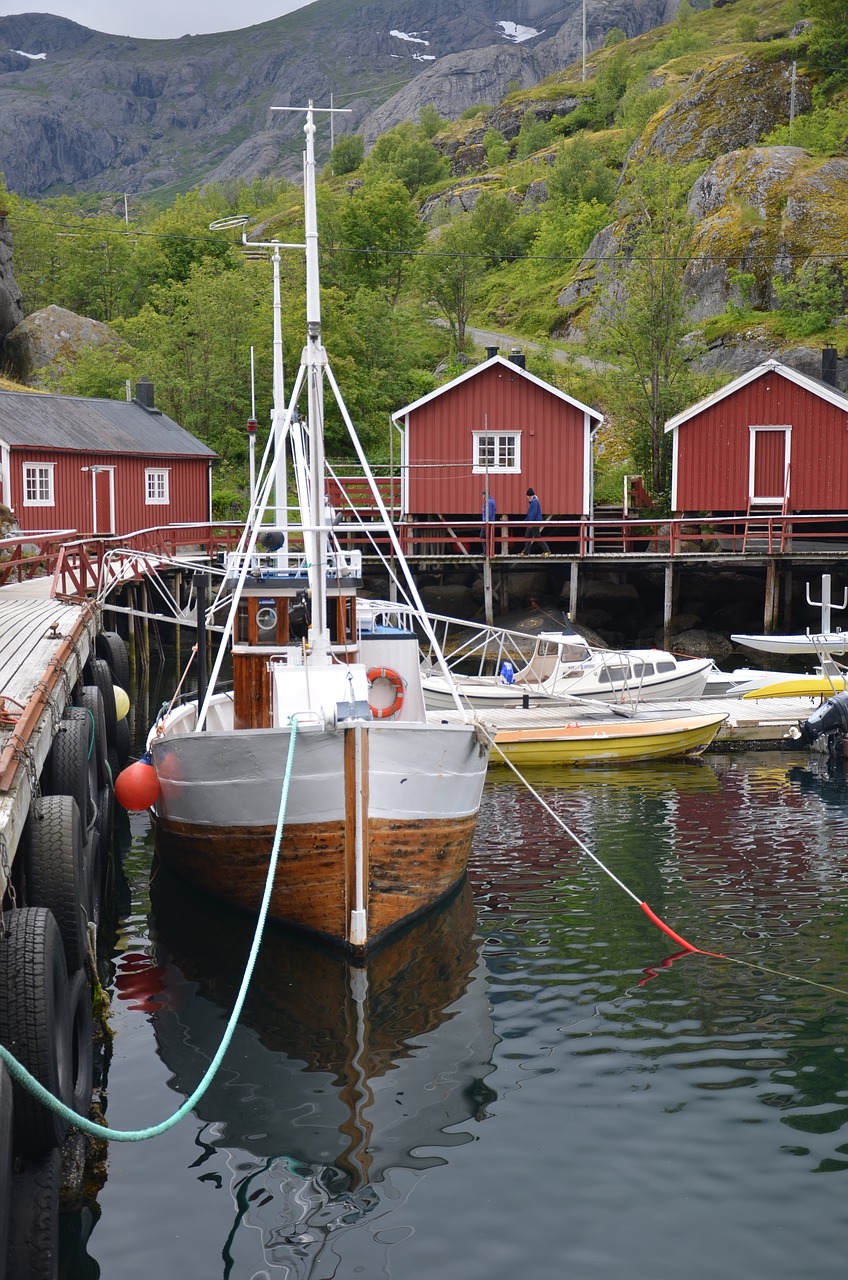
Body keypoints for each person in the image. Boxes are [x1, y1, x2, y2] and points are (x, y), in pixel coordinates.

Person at [522, 487, 550, 555]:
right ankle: (526, 552)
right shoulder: (533, 502)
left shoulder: (534, 502)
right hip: (532, 522)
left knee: (536, 536)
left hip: (534, 522)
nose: (528, 498)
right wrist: (526, 520)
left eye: (528, 496)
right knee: (528, 536)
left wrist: (530, 522)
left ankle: (547, 550)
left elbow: (533, 513)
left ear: (531, 496)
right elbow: (530, 513)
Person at [479, 488, 496, 554]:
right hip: (491, 522)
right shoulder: (492, 501)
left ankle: (486, 551)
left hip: (487, 522)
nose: (482, 497)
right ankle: (489, 551)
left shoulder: (488, 502)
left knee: (482, 536)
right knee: (488, 537)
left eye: (483, 495)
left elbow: (488, 513)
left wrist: (485, 521)